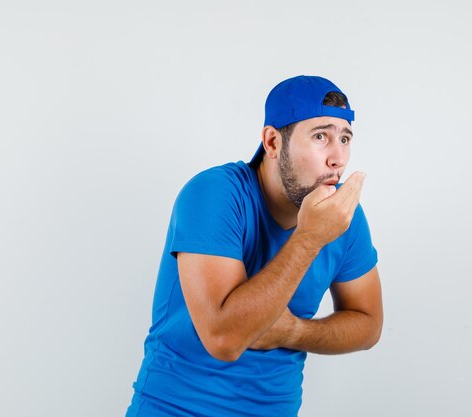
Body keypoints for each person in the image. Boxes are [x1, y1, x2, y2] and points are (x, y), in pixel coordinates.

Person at [125, 75, 383, 417]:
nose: (338, 158)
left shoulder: (344, 218)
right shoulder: (214, 194)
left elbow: (368, 323)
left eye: (345, 138)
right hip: (176, 409)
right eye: (321, 136)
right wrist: (309, 238)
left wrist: (295, 331)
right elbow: (224, 340)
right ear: (273, 142)